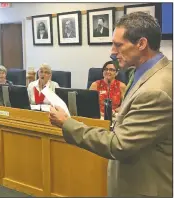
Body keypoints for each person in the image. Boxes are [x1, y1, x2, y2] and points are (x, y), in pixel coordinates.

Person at [49, 12, 172, 197]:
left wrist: (67, 123)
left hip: (143, 188)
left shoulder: (156, 91)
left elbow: (118, 145)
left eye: (118, 45)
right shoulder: (146, 72)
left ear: (141, 44)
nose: (112, 52)